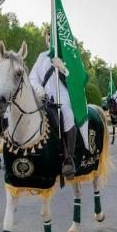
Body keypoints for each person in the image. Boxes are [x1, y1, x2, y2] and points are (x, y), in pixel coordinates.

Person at [30, 27, 78, 180]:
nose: (49, 37)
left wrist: (63, 68)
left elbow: (76, 77)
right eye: (47, 35)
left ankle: (69, 158)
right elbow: (32, 78)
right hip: (44, 97)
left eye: (52, 35)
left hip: (62, 96)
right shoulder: (41, 56)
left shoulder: (66, 55)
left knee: (68, 116)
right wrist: (38, 90)